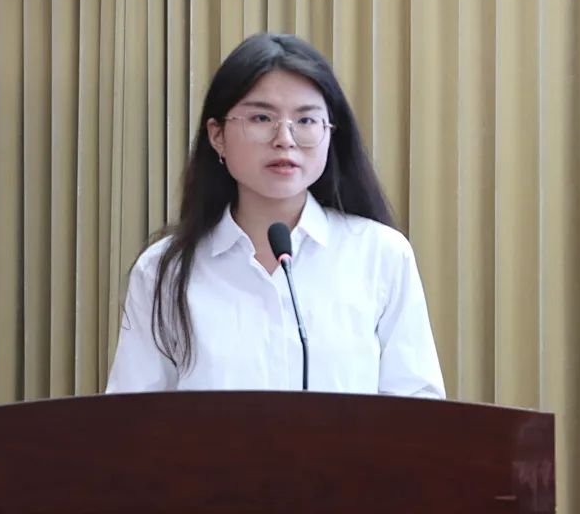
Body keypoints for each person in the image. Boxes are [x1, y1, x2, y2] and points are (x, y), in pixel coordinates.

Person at [105, 32, 445, 398]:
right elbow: (132, 417)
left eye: (306, 120)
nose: (285, 138)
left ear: (330, 133)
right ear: (217, 135)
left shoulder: (380, 254)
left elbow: (418, 407)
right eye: (261, 117)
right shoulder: (163, 271)